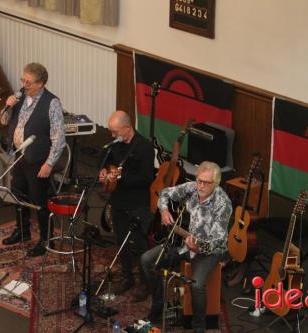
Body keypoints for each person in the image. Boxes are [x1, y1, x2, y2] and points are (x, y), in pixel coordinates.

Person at [140, 161, 232, 332]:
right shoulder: (192, 187)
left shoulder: (223, 204)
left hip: (208, 250)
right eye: (199, 180)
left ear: (216, 183)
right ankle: (159, 306)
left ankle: (199, 327)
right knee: (147, 260)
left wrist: (199, 248)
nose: (201, 185)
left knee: (197, 285)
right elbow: (165, 193)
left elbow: (219, 240)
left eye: (206, 182)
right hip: (182, 243)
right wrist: (164, 211)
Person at [0, 62, 66, 257]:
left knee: (39, 201)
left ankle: (46, 240)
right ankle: (23, 231)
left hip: (38, 160)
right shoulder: (20, 97)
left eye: (28, 82)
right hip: (19, 156)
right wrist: (7, 105)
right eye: (23, 80)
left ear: (41, 83)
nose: (23, 85)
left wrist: (49, 164)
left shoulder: (52, 103)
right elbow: (4, 121)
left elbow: (59, 139)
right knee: (18, 195)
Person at [98, 110, 154, 295]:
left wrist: (122, 177)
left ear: (127, 128)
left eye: (115, 131)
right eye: (111, 132)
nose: (113, 135)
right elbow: (105, 163)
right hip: (118, 200)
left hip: (137, 202)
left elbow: (146, 179)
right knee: (120, 240)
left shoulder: (144, 147)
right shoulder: (115, 145)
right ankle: (127, 276)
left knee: (140, 243)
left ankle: (146, 283)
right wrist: (105, 172)